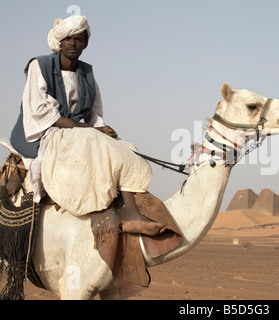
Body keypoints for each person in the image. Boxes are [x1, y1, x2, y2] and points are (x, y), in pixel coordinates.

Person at [9, 15, 165, 236]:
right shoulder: (39, 65)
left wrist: (105, 131)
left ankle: (132, 214)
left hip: (74, 132)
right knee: (93, 139)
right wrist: (91, 130)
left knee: (125, 146)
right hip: (39, 131)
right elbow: (41, 113)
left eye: (79, 39)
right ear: (60, 41)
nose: (73, 43)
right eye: (69, 39)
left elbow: (94, 116)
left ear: (85, 44)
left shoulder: (87, 74)